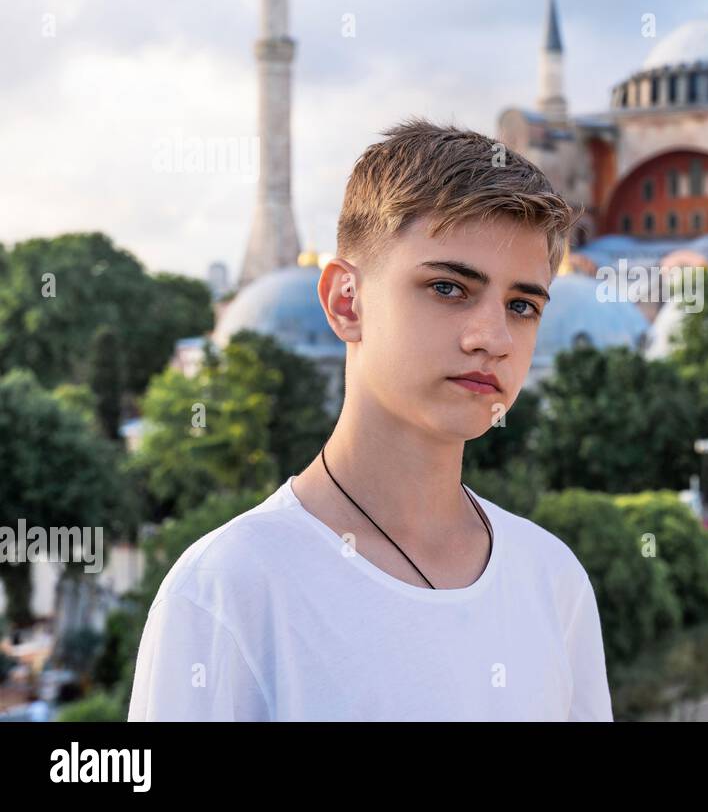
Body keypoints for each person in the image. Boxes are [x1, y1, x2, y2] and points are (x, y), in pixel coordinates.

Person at [128, 120, 613, 721]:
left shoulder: (551, 580)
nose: (493, 338)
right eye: (448, 287)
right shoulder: (228, 592)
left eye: (521, 305)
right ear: (345, 301)